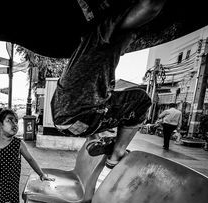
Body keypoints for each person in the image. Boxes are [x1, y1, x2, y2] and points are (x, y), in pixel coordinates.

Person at [51, 0, 167, 169]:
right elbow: (151, 6)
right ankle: (117, 154)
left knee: (105, 98)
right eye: (132, 38)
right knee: (141, 99)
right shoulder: (102, 34)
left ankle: (94, 140)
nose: (128, 46)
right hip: (81, 117)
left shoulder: (86, 49)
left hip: (63, 121)